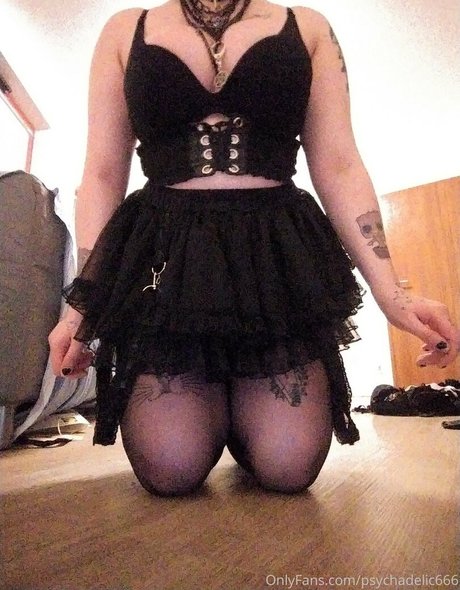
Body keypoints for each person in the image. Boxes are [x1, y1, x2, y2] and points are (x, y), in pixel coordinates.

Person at [48, 0, 459, 496]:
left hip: (274, 257)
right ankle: (219, 417)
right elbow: (101, 174)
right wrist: (82, 307)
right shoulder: (123, 30)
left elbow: (340, 163)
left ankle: (240, 423)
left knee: (289, 466)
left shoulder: (308, 28)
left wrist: (393, 294)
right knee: (170, 466)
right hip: (167, 258)